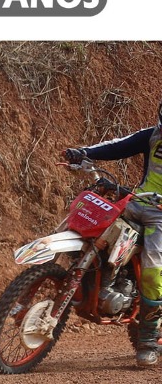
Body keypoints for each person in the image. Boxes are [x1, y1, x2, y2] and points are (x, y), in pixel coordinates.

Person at [64, 114, 162, 365]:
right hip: (136, 204)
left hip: (160, 218)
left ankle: (148, 340)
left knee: (152, 273)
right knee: (96, 233)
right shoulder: (153, 135)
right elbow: (119, 145)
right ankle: (94, 287)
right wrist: (84, 152)